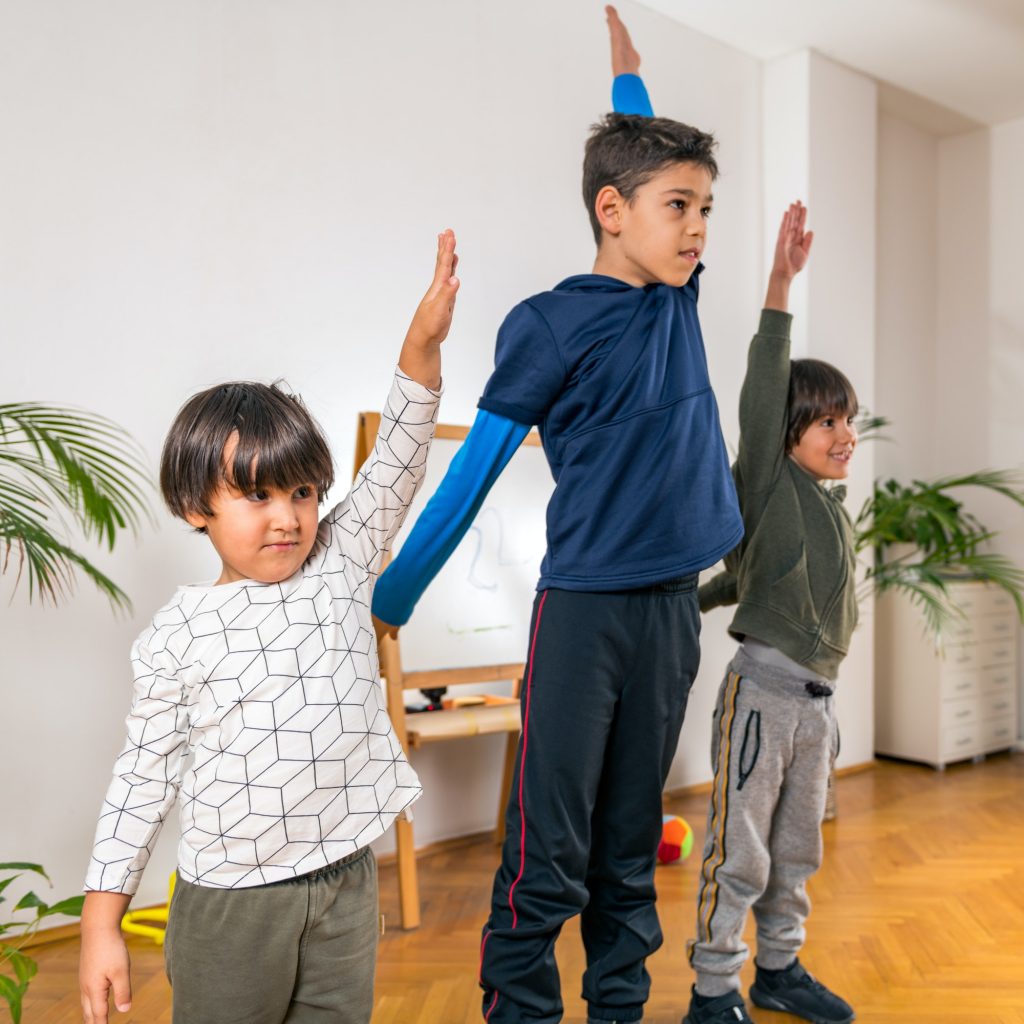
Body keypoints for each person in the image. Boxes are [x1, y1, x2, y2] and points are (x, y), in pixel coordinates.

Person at [371, 18, 742, 1023]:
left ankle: (616, 1007)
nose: (699, 226)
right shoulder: (546, 324)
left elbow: (634, 137)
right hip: (582, 615)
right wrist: (388, 596)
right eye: (680, 206)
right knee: (549, 846)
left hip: (669, 614)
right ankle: (521, 1009)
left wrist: (626, 69)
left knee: (632, 840)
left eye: (707, 207)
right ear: (610, 212)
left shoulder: (676, 297)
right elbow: (474, 473)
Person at [78, 231, 460, 1024]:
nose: (288, 518)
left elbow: (399, 456)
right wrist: (100, 925)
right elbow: (140, 783)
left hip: (345, 880)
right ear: (197, 508)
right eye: (257, 497)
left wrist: (421, 345)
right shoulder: (181, 635)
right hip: (231, 905)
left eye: (303, 492)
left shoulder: (342, 558)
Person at [685, 204, 858, 1024]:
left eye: (849, 421)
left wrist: (703, 595)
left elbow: (752, 576)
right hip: (763, 696)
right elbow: (764, 376)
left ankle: (780, 969)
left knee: (797, 850)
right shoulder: (769, 477)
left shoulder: (826, 510)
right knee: (740, 851)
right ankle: (714, 990)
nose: (845, 434)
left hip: (817, 711)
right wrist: (781, 281)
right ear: (785, 430)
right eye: (828, 420)